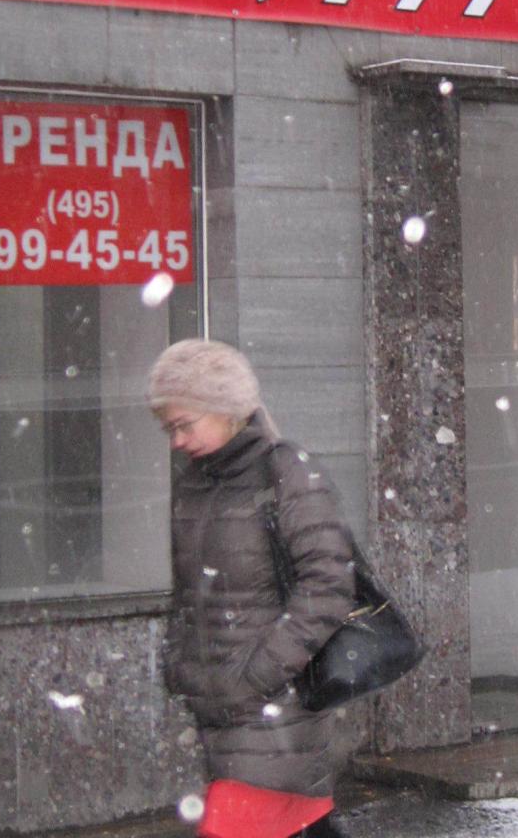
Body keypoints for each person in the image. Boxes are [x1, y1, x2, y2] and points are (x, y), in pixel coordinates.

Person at [148, 338, 357, 838]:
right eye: (168, 429)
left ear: (225, 407)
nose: (176, 440)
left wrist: (255, 676)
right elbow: (192, 592)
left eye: (184, 424)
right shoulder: (197, 481)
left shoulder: (284, 471)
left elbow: (328, 586)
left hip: (275, 715)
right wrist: (182, 661)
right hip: (224, 713)